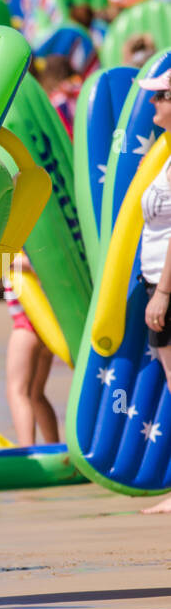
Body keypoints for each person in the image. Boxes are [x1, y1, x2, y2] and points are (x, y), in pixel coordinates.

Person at [128, 69, 171, 514]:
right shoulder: (166, 156)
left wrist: (161, 293)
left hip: (167, 286)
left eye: (160, 96)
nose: (153, 104)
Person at [3, 259, 58, 445]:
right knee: (36, 393)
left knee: (16, 391)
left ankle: (27, 449)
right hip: (46, 324)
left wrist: (2, 259)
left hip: (28, 322)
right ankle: (54, 447)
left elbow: (37, 260)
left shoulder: (20, 244)